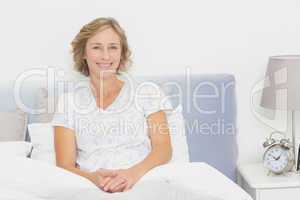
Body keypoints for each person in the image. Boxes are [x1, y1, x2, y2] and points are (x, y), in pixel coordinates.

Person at [52, 17, 173, 193]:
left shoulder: (147, 93)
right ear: (84, 53)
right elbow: (64, 165)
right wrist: (93, 179)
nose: (105, 56)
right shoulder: (68, 103)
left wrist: (131, 175)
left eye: (113, 47)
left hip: (143, 183)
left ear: (122, 53)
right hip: (91, 189)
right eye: (96, 47)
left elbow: (163, 149)